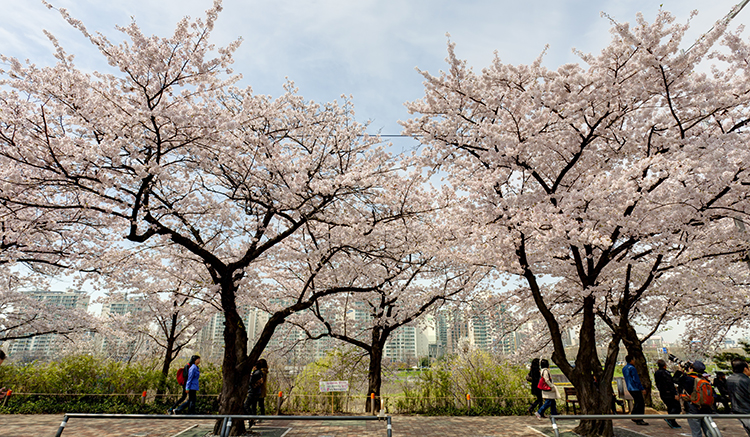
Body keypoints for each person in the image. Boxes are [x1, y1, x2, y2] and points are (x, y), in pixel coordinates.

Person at [676, 360, 714, 437]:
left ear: (691, 369)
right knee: (709, 432)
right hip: (706, 408)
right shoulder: (705, 379)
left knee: (696, 433)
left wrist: (680, 370)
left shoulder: (686, 379)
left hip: (693, 409)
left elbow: (675, 380)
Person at [726, 358, 750, 436]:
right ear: (745, 369)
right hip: (747, 411)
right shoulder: (746, 380)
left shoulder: (729, 379)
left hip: (736, 412)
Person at [655, 359, 681, 429]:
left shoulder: (657, 373)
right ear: (665, 366)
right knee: (677, 407)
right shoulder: (665, 373)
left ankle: (673, 422)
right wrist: (674, 394)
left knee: (670, 407)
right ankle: (670, 419)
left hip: (662, 393)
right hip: (669, 393)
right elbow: (670, 384)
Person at [623, 354, 648, 426]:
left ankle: (634, 415)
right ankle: (639, 419)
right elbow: (636, 379)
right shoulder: (632, 368)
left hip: (630, 388)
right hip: (635, 388)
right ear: (631, 360)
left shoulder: (624, 368)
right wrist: (641, 388)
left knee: (637, 402)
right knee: (640, 403)